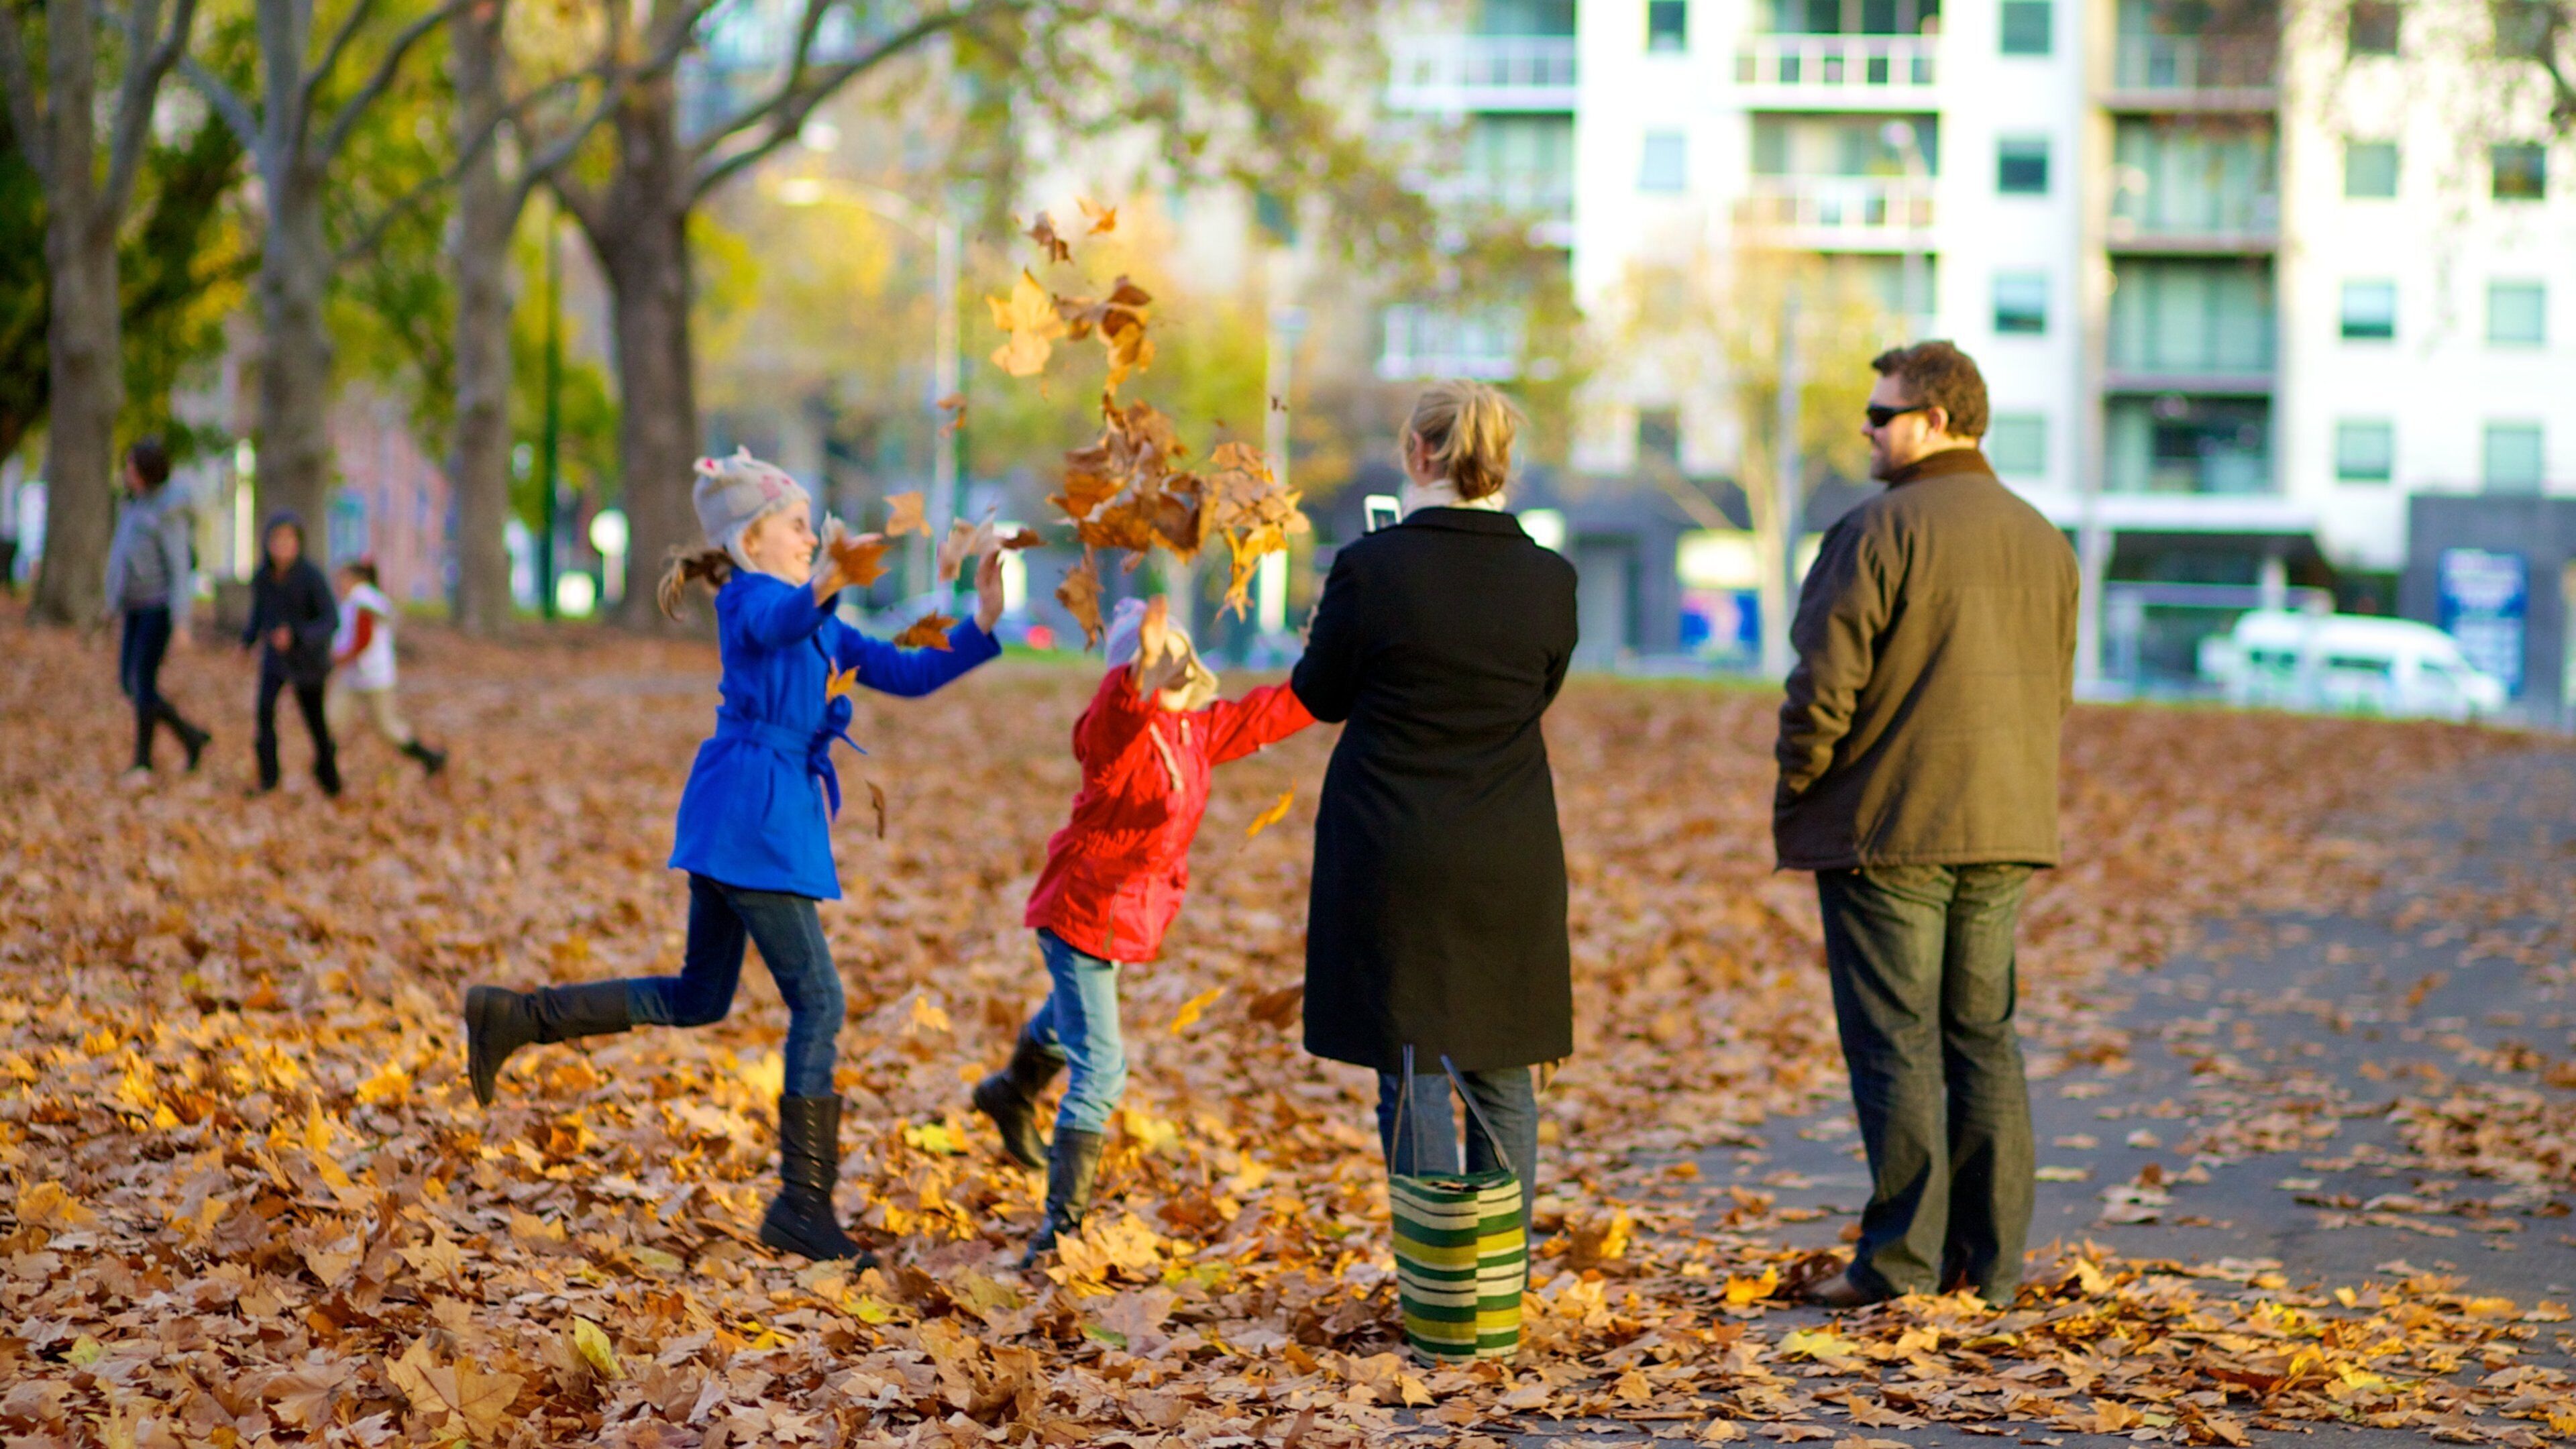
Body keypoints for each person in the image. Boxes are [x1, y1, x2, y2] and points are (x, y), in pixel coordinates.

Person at [462, 448, 1007, 1263]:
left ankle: (516, 1016)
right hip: (755, 817)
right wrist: (825, 582)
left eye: (811, 528)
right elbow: (777, 623)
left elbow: (907, 671)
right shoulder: (750, 598)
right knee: (819, 1000)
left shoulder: (820, 620)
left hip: (748, 815)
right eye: (797, 526)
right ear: (752, 540)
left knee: (700, 995)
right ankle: (802, 1205)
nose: (809, 538)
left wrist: (984, 621)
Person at [1774, 341, 2079, 1309]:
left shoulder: (1875, 531)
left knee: (1896, 1044)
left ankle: (1901, 1264)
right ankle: (1990, 1269)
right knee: (1983, 1040)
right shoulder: (2043, 538)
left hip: (1890, 825)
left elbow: (1823, 685)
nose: (1866, 429)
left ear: (1937, 420)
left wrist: (1804, 780)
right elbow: (2055, 687)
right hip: (2004, 822)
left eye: (1882, 413)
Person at [1290, 380, 1578, 1231]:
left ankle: (1436, 1276)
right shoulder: (1550, 579)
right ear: (1503, 463)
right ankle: (1499, 1275)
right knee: (1503, 1066)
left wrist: (1323, 633)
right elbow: (1537, 693)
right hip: (1509, 845)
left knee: (1411, 1061)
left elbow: (1320, 694)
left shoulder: (1370, 568)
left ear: (1419, 453)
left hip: (1393, 841)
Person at [973, 595, 1313, 1266]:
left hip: (1127, 913)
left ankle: (1008, 1091)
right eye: (1157, 659)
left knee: (1070, 1019)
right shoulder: (1118, 736)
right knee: (1101, 1069)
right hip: (1081, 909)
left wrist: (1331, 661)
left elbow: (1269, 714)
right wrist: (1135, 677)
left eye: (1178, 655)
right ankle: (1060, 1232)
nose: (1174, 667)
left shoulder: (1195, 731)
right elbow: (1113, 721)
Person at [102, 439, 211, 782]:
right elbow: (121, 558)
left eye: (132, 466)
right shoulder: (132, 505)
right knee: (130, 683)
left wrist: (182, 623)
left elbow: (179, 568)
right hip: (133, 607)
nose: (127, 472)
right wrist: (111, 603)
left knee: (141, 682)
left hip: (157, 608)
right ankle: (190, 737)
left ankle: (143, 762)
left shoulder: (169, 512)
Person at [241, 513, 341, 797]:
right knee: (264, 713)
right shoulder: (263, 577)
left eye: (289, 539)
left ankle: (330, 780)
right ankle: (269, 779)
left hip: (308, 662)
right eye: (278, 539)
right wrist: (247, 642)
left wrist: (297, 636)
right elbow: (259, 614)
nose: (283, 546)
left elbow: (330, 620)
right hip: (275, 659)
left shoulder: (311, 577)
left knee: (315, 722)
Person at [329, 558, 448, 777]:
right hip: (354, 675)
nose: (340, 584)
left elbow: (363, 639)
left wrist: (342, 658)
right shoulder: (358, 600)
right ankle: (326, 769)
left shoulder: (363, 599)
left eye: (344, 578)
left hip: (372, 675)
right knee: (333, 721)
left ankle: (429, 757)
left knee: (386, 726)